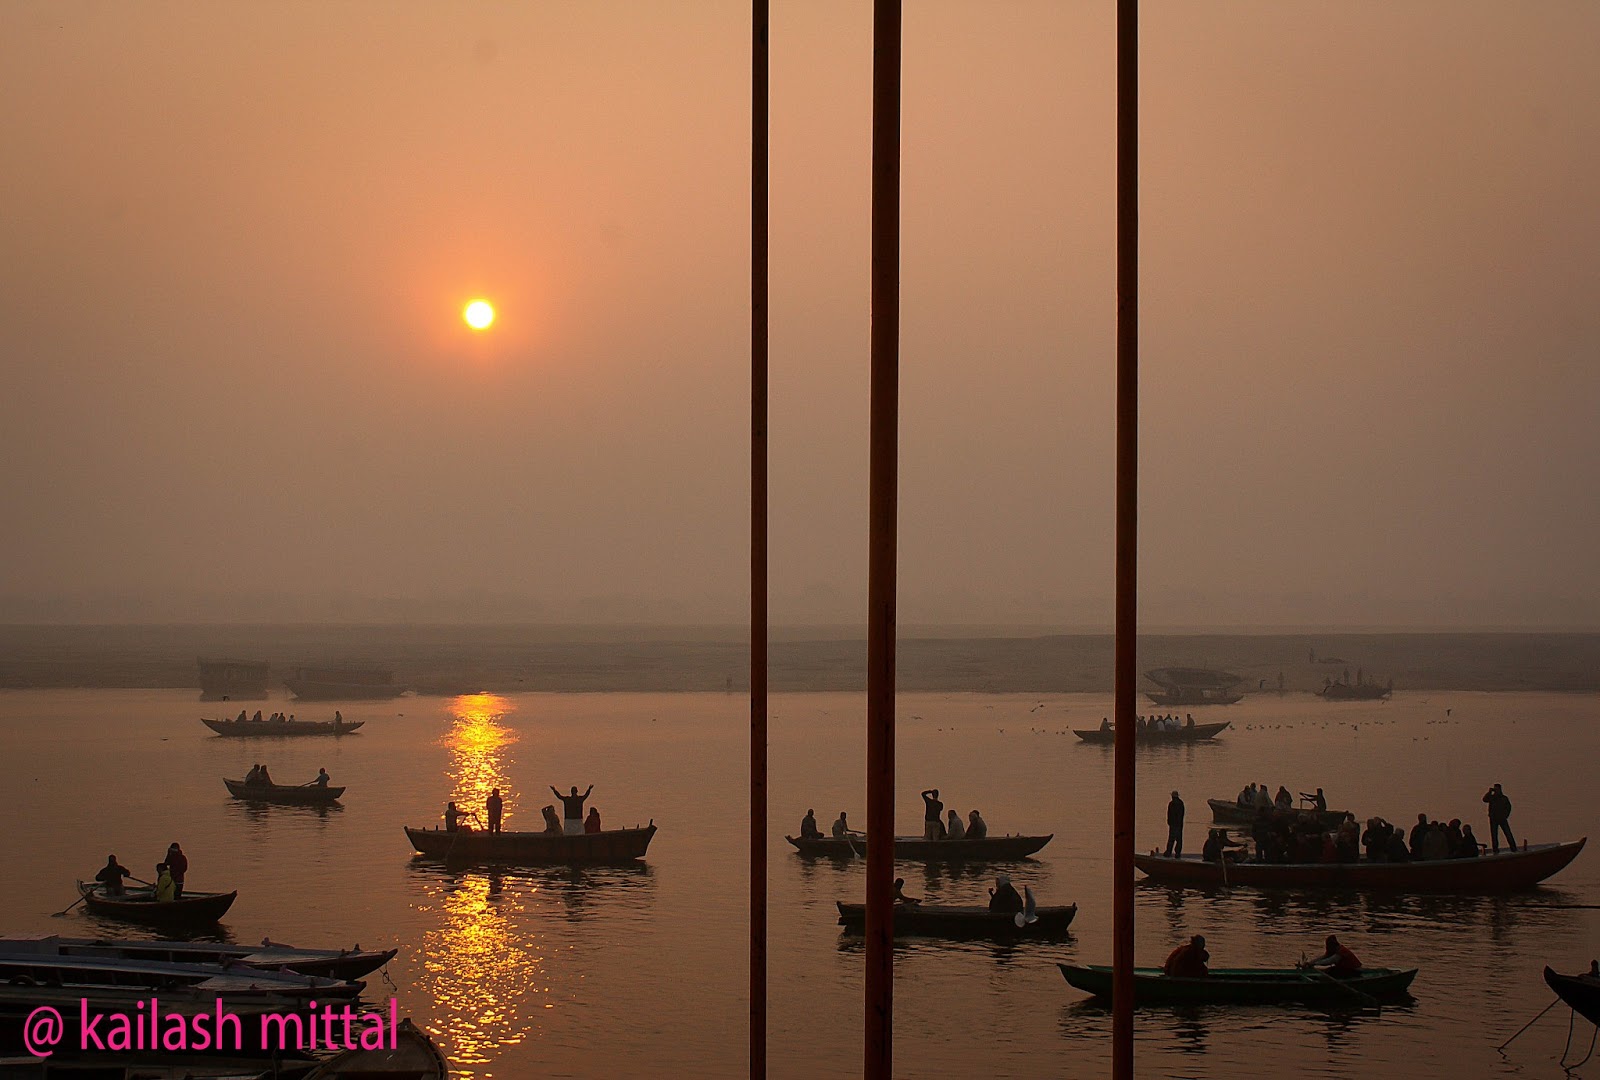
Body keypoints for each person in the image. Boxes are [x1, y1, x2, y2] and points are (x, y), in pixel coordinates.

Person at [1483, 783, 1516, 854]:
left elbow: (1508, 808)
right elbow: (1484, 799)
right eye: (1495, 789)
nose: (1496, 791)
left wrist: (1505, 816)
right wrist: (1489, 792)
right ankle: (1495, 850)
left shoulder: (1504, 798)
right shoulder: (1491, 797)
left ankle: (1513, 848)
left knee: (1508, 834)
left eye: (1497, 789)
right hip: (1493, 819)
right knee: (1494, 836)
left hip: (1502, 819)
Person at [1165, 791, 1185, 857]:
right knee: (1179, 840)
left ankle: (1168, 852)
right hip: (1179, 824)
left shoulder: (1171, 804)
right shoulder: (1181, 803)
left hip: (1173, 825)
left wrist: (1169, 822)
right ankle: (1177, 853)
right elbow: (1182, 814)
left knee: (1171, 839)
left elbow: (1169, 814)